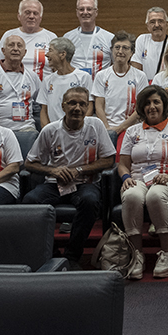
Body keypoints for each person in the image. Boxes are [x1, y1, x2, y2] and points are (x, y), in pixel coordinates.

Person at [23, 86, 116, 265]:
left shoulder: (95, 125)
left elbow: (108, 160)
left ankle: (72, 256)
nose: (77, 108)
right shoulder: (50, 130)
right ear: (63, 106)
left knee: (90, 201)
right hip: (54, 183)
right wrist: (53, 170)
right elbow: (29, 163)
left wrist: (79, 170)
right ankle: (51, 254)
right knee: (29, 201)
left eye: (82, 104)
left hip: (85, 182)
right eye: (72, 103)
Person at [116, 84, 168, 279]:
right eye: (147, 103)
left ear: (164, 105)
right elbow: (123, 164)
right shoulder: (132, 132)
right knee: (131, 195)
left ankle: (167, 252)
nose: (152, 106)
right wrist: (126, 178)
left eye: (156, 102)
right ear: (141, 107)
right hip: (138, 179)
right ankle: (137, 253)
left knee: (155, 195)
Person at [0, 34, 42, 133]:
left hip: (26, 128)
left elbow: (43, 104)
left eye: (19, 46)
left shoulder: (33, 76)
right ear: (3, 51)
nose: (15, 49)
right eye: (11, 45)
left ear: (24, 52)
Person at [92, 31, 148, 142]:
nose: (120, 51)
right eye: (117, 47)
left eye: (125, 48)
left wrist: (119, 129)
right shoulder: (101, 75)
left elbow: (140, 108)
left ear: (132, 52)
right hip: (105, 128)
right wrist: (107, 129)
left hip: (131, 128)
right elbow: (99, 106)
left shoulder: (140, 76)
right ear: (112, 50)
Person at [0, 0, 55, 81]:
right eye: (27, 13)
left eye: (35, 13)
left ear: (40, 18)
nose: (31, 16)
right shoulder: (9, 35)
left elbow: (57, 69)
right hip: (12, 88)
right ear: (19, 16)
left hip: (42, 89)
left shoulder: (51, 37)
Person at [38, 37, 93, 128]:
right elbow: (43, 110)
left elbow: (89, 107)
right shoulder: (48, 80)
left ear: (62, 54)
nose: (47, 54)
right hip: (54, 132)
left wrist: (79, 128)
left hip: (77, 131)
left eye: (50, 50)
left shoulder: (83, 77)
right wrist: (48, 131)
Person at [62, 0, 113, 76]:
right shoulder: (67, 37)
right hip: (74, 86)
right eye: (81, 9)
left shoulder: (109, 38)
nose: (85, 12)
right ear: (77, 13)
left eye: (89, 9)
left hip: (100, 86)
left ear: (96, 12)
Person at [131, 7, 168, 82]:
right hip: (147, 86)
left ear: (166, 25)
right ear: (148, 26)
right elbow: (136, 68)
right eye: (152, 22)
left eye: (160, 21)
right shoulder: (142, 39)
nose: (157, 25)